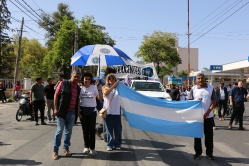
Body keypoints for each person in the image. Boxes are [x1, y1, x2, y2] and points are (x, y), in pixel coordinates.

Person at [52, 71, 81, 160]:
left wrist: (78, 112)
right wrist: (56, 108)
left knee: (68, 132)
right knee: (60, 131)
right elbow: (56, 95)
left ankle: (66, 148)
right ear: (71, 76)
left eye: (78, 77)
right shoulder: (63, 83)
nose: (76, 78)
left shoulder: (78, 88)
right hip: (62, 112)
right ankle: (55, 151)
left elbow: (77, 101)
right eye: (75, 76)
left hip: (72, 112)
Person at [189, 73, 216, 160]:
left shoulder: (211, 88)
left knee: (209, 135)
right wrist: (196, 100)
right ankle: (198, 152)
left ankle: (209, 153)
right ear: (196, 80)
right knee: (197, 135)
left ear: (205, 79)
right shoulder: (193, 89)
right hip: (197, 117)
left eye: (202, 78)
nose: (200, 80)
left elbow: (214, 102)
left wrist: (208, 112)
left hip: (208, 116)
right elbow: (189, 102)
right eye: (198, 78)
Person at [78, 72, 102, 155]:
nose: (87, 80)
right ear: (83, 79)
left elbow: (99, 98)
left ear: (91, 80)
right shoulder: (80, 88)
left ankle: (92, 148)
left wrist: (99, 90)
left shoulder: (94, 87)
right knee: (85, 130)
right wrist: (78, 112)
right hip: (82, 111)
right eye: (85, 78)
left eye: (89, 79)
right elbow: (78, 101)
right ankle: (86, 147)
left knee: (92, 130)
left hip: (92, 111)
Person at [102, 73, 122, 151]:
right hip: (109, 112)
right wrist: (113, 86)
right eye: (110, 79)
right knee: (109, 129)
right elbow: (106, 93)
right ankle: (109, 144)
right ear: (107, 80)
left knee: (118, 129)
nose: (111, 80)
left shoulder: (118, 89)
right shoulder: (104, 87)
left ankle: (117, 143)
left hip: (117, 111)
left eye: (113, 78)